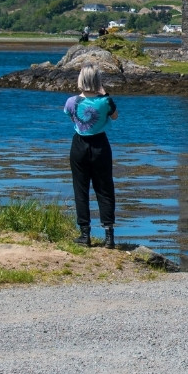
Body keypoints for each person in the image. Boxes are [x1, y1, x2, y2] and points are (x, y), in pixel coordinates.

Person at [64, 64, 119, 248]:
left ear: (80, 79)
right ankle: (109, 236)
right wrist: (103, 94)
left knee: (81, 189)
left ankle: (84, 234)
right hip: (100, 145)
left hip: (79, 145)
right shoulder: (105, 101)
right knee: (104, 189)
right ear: (97, 80)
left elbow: (73, 118)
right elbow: (115, 116)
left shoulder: (71, 101)